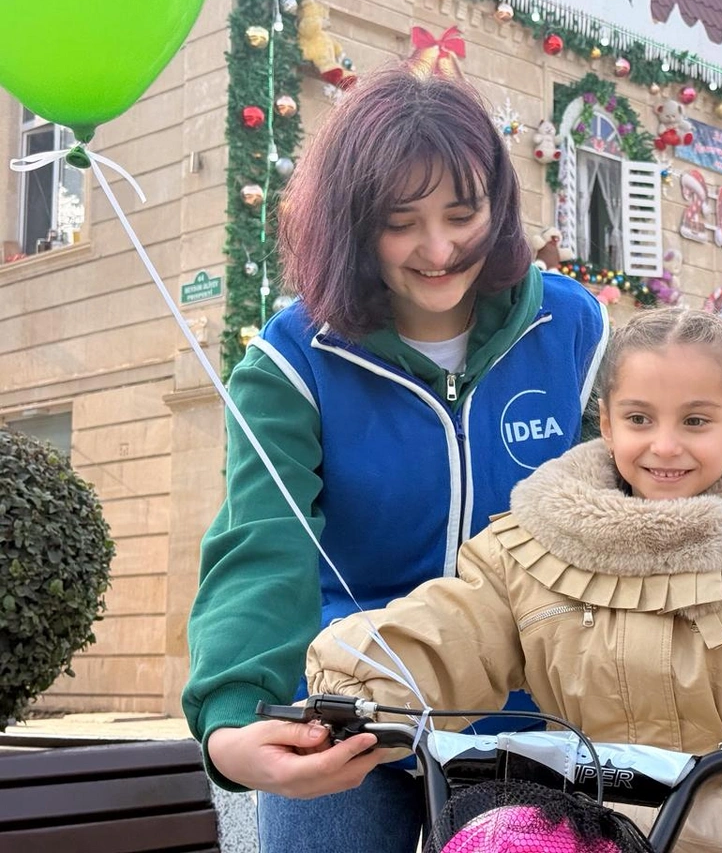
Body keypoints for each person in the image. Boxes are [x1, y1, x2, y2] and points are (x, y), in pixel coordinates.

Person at [306, 308, 722, 853]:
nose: (665, 446)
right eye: (640, 419)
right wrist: (358, 683)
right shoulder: (538, 543)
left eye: (696, 421)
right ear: (608, 422)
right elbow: (456, 626)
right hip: (592, 833)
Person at [181, 62, 609, 853]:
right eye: (400, 220)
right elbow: (261, 544)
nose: (439, 249)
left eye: (462, 212)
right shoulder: (291, 362)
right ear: (351, 221)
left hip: (531, 720)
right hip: (347, 711)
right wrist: (234, 723)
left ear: (498, 204)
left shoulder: (574, 329)